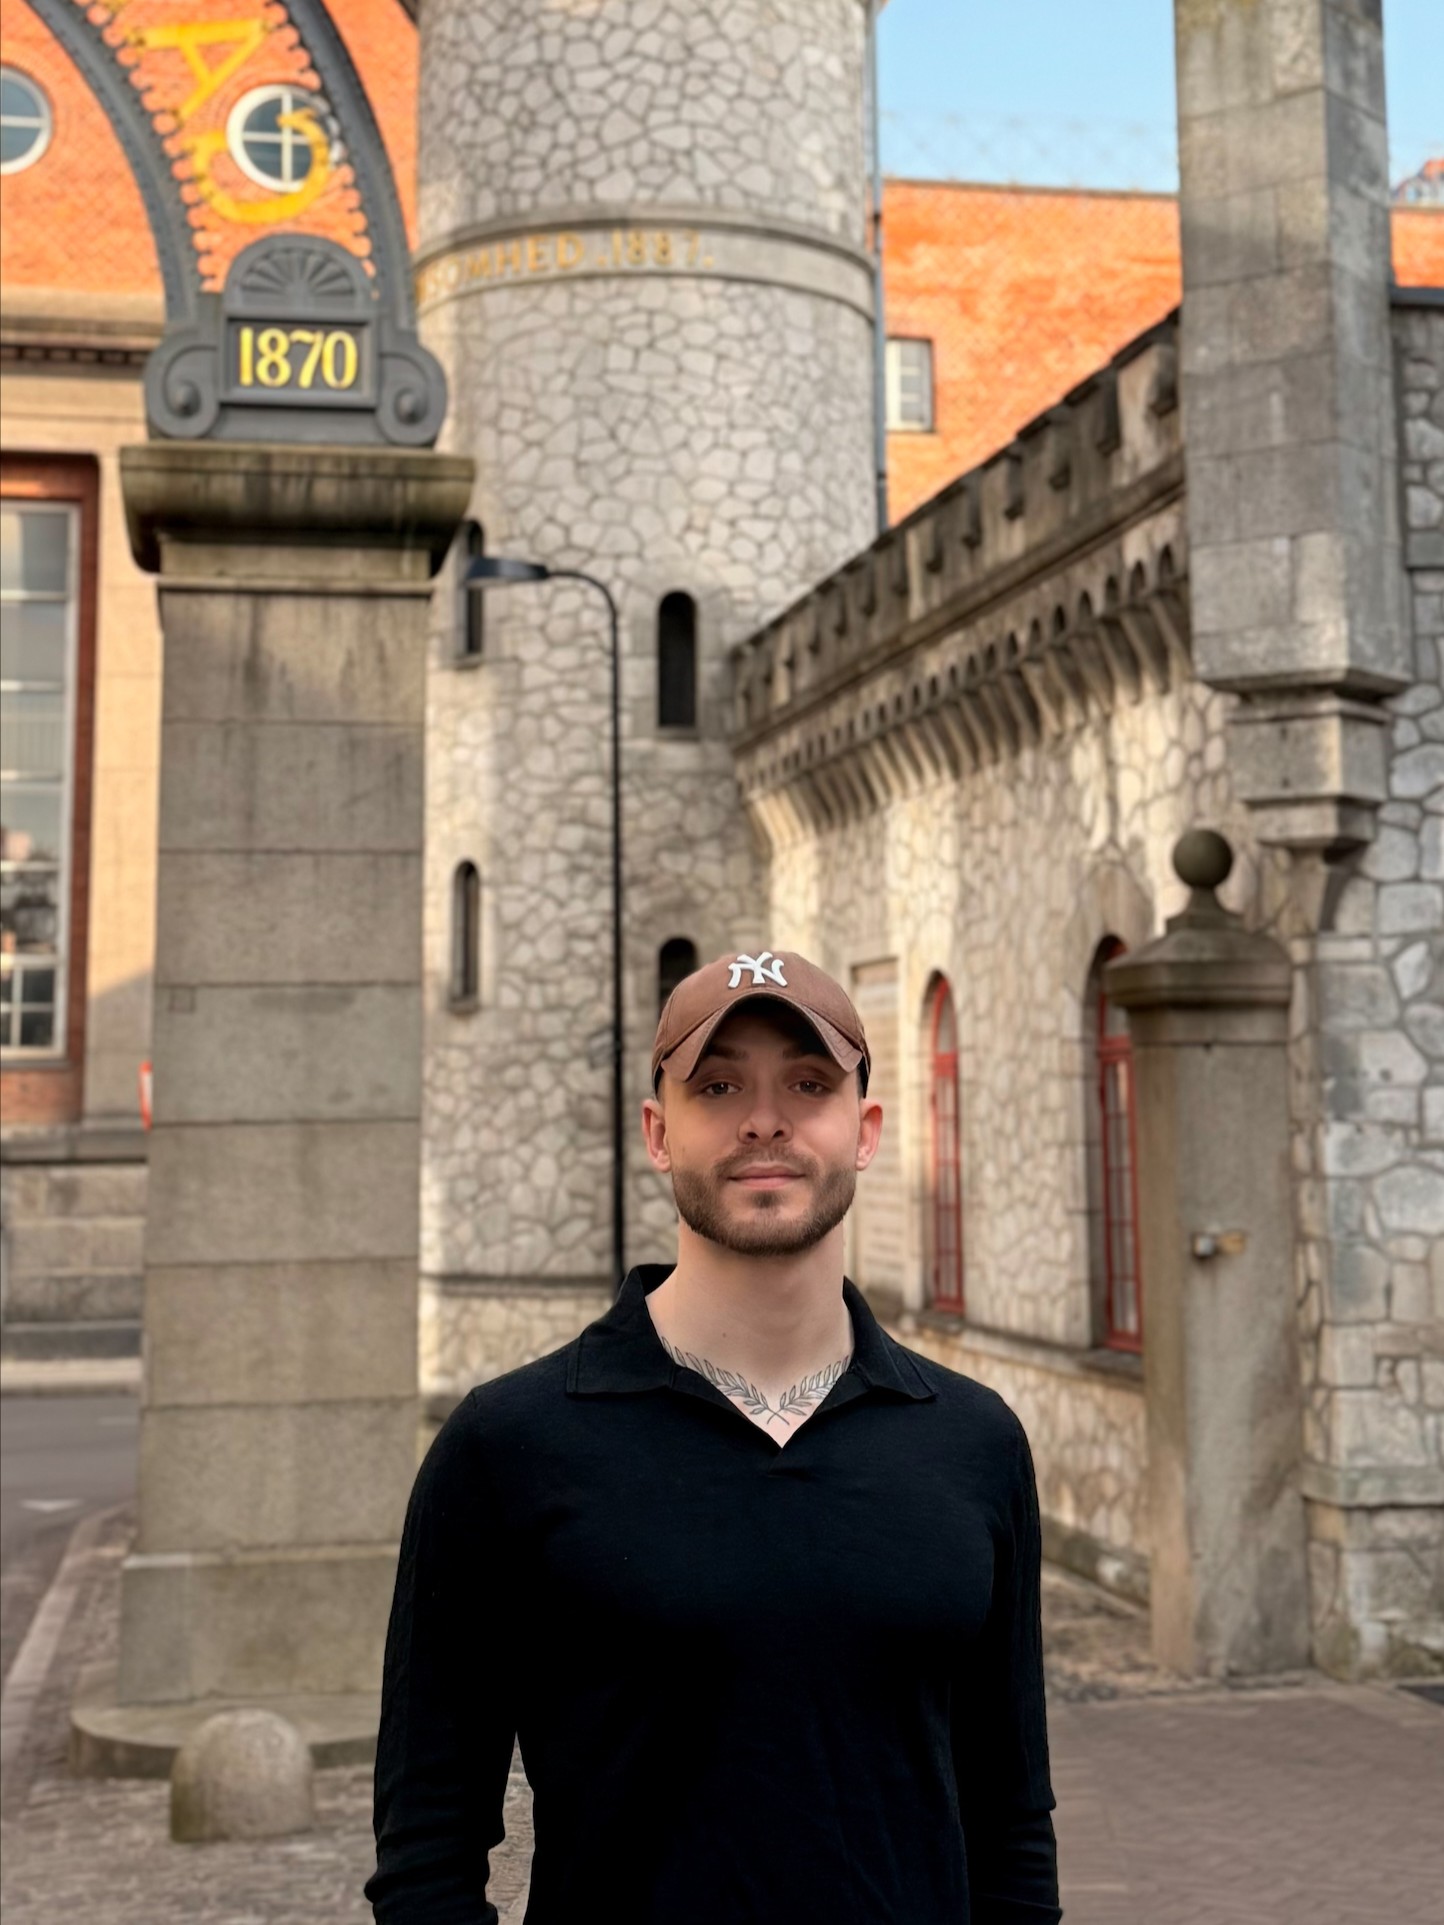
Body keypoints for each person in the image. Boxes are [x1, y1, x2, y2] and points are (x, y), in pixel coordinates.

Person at [367, 948, 1061, 1924]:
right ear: (659, 1132)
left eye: (807, 1084)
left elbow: (1011, 1822)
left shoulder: (972, 1442)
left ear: (865, 1130)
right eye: (719, 1085)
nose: (764, 1119)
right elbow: (427, 1846)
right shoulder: (508, 1445)